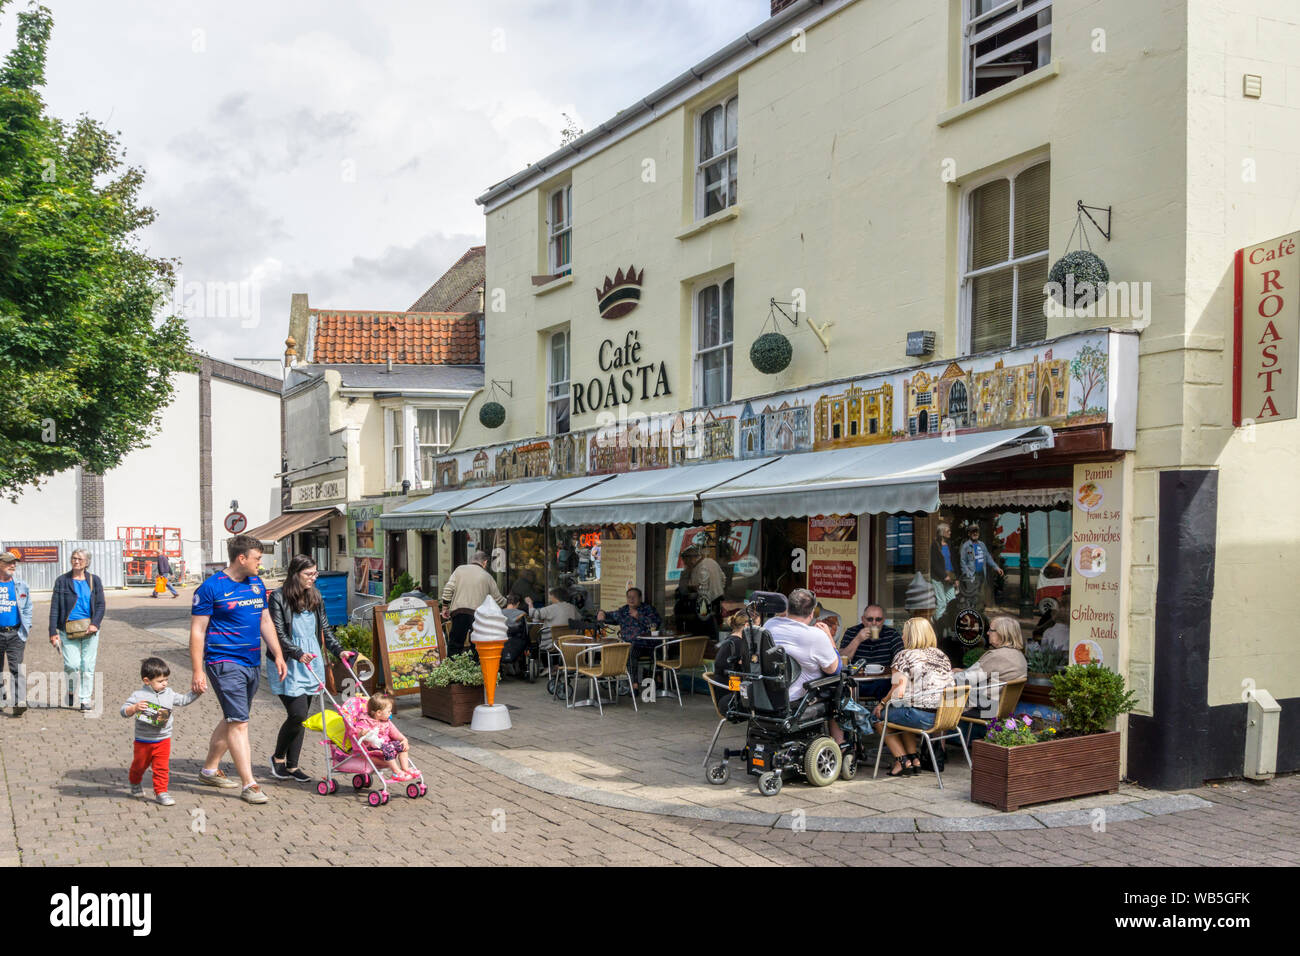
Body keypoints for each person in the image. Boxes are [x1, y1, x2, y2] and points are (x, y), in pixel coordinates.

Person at [190, 534, 288, 805]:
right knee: (239, 722)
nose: (261, 563)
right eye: (257, 558)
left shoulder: (257, 584)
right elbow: (198, 631)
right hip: (223, 661)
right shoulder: (211, 588)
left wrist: (278, 654)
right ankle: (250, 784)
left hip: (252, 661)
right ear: (241, 558)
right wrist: (198, 671)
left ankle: (209, 770)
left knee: (235, 716)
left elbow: (265, 620)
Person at [267, 555, 342, 782]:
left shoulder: (315, 596)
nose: (313, 578)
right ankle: (278, 757)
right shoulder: (278, 598)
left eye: (315, 574)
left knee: (302, 716)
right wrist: (297, 653)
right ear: (294, 573)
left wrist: (340, 651)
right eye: (308, 574)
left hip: (312, 661)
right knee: (297, 713)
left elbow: (325, 629)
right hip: (288, 661)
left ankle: (292, 766)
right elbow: (278, 633)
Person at [872, 618, 955, 777]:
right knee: (900, 714)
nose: (902, 637)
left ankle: (901, 760)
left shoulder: (904, 656)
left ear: (910, 636)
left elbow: (898, 692)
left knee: (877, 717)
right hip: (945, 717)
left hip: (922, 717)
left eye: (904, 634)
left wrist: (882, 703)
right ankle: (914, 759)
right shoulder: (941, 655)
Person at [122, 657, 202, 806]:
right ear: (147, 681)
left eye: (166, 680)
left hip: (163, 739)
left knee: (161, 768)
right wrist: (133, 708)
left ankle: (161, 792)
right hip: (143, 740)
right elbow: (123, 711)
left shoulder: (169, 693)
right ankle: (134, 783)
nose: (165, 683)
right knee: (138, 766)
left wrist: (197, 692)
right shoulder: (138, 695)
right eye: (160, 681)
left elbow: (184, 700)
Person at [49, 548, 107, 711]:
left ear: (87, 562)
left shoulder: (94, 580)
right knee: (72, 665)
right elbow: (55, 608)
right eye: (74, 558)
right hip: (67, 629)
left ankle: (85, 699)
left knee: (88, 665)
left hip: (90, 629)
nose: (76, 561)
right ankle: (71, 689)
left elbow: (101, 605)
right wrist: (53, 632)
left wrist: (95, 623)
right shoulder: (62, 580)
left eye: (80, 559)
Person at [764, 588, 841, 703]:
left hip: (768, 695)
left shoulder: (770, 624)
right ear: (812, 613)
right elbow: (834, 670)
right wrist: (829, 637)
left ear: (788, 608)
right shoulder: (816, 635)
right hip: (798, 699)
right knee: (841, 687)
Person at [957, 615, 1028, 736]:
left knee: (941, 700)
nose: (988, 633)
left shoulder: (996, 656)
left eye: (991, 630)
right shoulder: (1019, 656)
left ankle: (937, 750)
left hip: (985, 708)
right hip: (1001, 707)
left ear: (1002, 633)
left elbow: (966, 680)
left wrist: (947, 674)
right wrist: (962, 671)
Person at [440, 551, 505, 657]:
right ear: (485, 562)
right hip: (478, 615)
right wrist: (509, 603)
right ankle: (476, 669)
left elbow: (448, 589)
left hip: (459, 612)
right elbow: (498, 599)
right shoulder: (487, 576)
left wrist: (445, 607)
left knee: (455, 644)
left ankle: (452, 669)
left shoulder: (459, 570)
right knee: (477, 645)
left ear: (470, 561)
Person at [597, 587, 663, 686]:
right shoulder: (623, 611)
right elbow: (609, 616)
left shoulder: (648, 609)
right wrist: (601, 612)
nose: (631, 599)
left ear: (640, 598)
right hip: (633, 645)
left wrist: (639, 616)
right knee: (630, 652)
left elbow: (655, 623)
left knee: (659, 650)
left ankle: (659, 679)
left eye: (634, 597)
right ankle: (634, 684)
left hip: (649, 643)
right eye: (629, 597)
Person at [839, 604, 903, 700]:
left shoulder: (892, 634)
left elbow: (901, 660)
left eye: (878, 619)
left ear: (883, 620)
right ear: (863, 619)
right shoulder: (852, 632)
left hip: (882, 682)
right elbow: (842, 659)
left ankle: (880, 712)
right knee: (843, 688)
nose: (874, 623)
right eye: (869, 619)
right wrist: (858, 639)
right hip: (857, 682)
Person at [353, 692, 417, 781]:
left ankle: (405, 768)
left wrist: (404, 740)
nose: (390, 713)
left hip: (386, 746)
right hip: (372, 748)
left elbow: (396, 734)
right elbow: (357, 732)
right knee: (388, 748)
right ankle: (396, 772)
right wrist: (361, 733)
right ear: (378, 713)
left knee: (402, 746)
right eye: (388, 711)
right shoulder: (365, 721)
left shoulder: (386, 722)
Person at [0, 552, 33, 717]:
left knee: (17, 668)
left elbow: (27, 607)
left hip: (15, 633)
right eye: (8, 562)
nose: (12, 565)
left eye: (14, 563)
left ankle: (19, 702)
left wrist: (26, 626)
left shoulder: (21, 585)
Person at [681, 545, 726, 634]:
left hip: (705, 601)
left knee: (705, 626)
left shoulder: (697, 568)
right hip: (718, 597)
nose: (685, 563)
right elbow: (723, 578)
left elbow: (696, 587)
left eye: (685, 561)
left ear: (691, 558)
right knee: (716, 623)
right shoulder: (712, 562)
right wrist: (719, 588)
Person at [960, 522, 1004, 608]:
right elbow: (962, 562)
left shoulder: (982, 545)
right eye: (973, 532)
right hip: (971, 576)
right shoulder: (966, 546)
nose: (975, 533)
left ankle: (977, 614)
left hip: (981, 575)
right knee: (971, 598)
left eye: (976, 531)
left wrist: (996, 567)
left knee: (979, 597)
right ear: (969, 534)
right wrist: (967, 575)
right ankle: (970, 614)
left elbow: (988, 557)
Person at [526, 587, 579, 652]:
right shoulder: (572, 607)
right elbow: (579, 618)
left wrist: (530, 603)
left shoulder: (552, 608)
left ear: (554, 596)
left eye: (550, 595)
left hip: (551, 643)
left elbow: (534, 614)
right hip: (568, 642)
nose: (549, 597)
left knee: (534, 639)